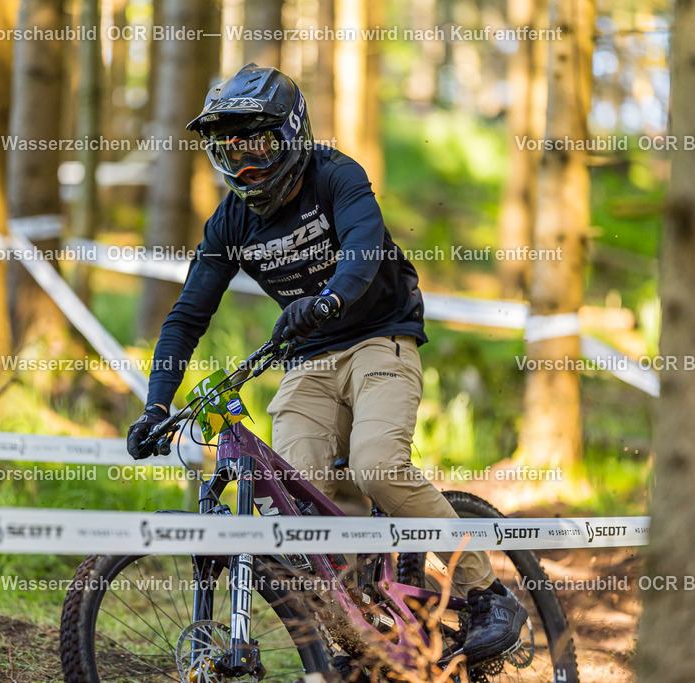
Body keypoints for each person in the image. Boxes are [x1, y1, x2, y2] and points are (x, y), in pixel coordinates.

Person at [126, 63, 526, 665]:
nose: (245, 165)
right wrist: (155, 404)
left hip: (380, 338)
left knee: (377, 466)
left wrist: (331, 298)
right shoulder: (230, 221)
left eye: (257, 144)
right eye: (228, 150)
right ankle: (357, 631)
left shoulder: (336, 175)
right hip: (308, 357)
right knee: (288, 502)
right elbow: (186, 318)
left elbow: (363, 253)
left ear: (292, 134)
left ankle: (488, 593)